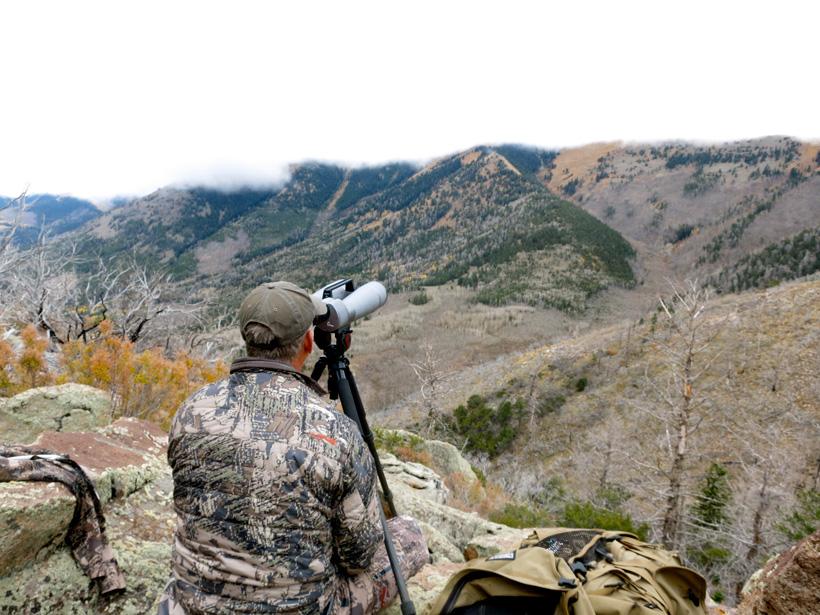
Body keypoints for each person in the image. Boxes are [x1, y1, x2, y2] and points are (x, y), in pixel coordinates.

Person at [158, 281, 428, 615]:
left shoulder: (191, 411)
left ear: (248, 338)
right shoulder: (336, 433)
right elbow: (358, 557)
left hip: (193, 603)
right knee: (410, 535)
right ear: (307, 341)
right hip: (302, 608)